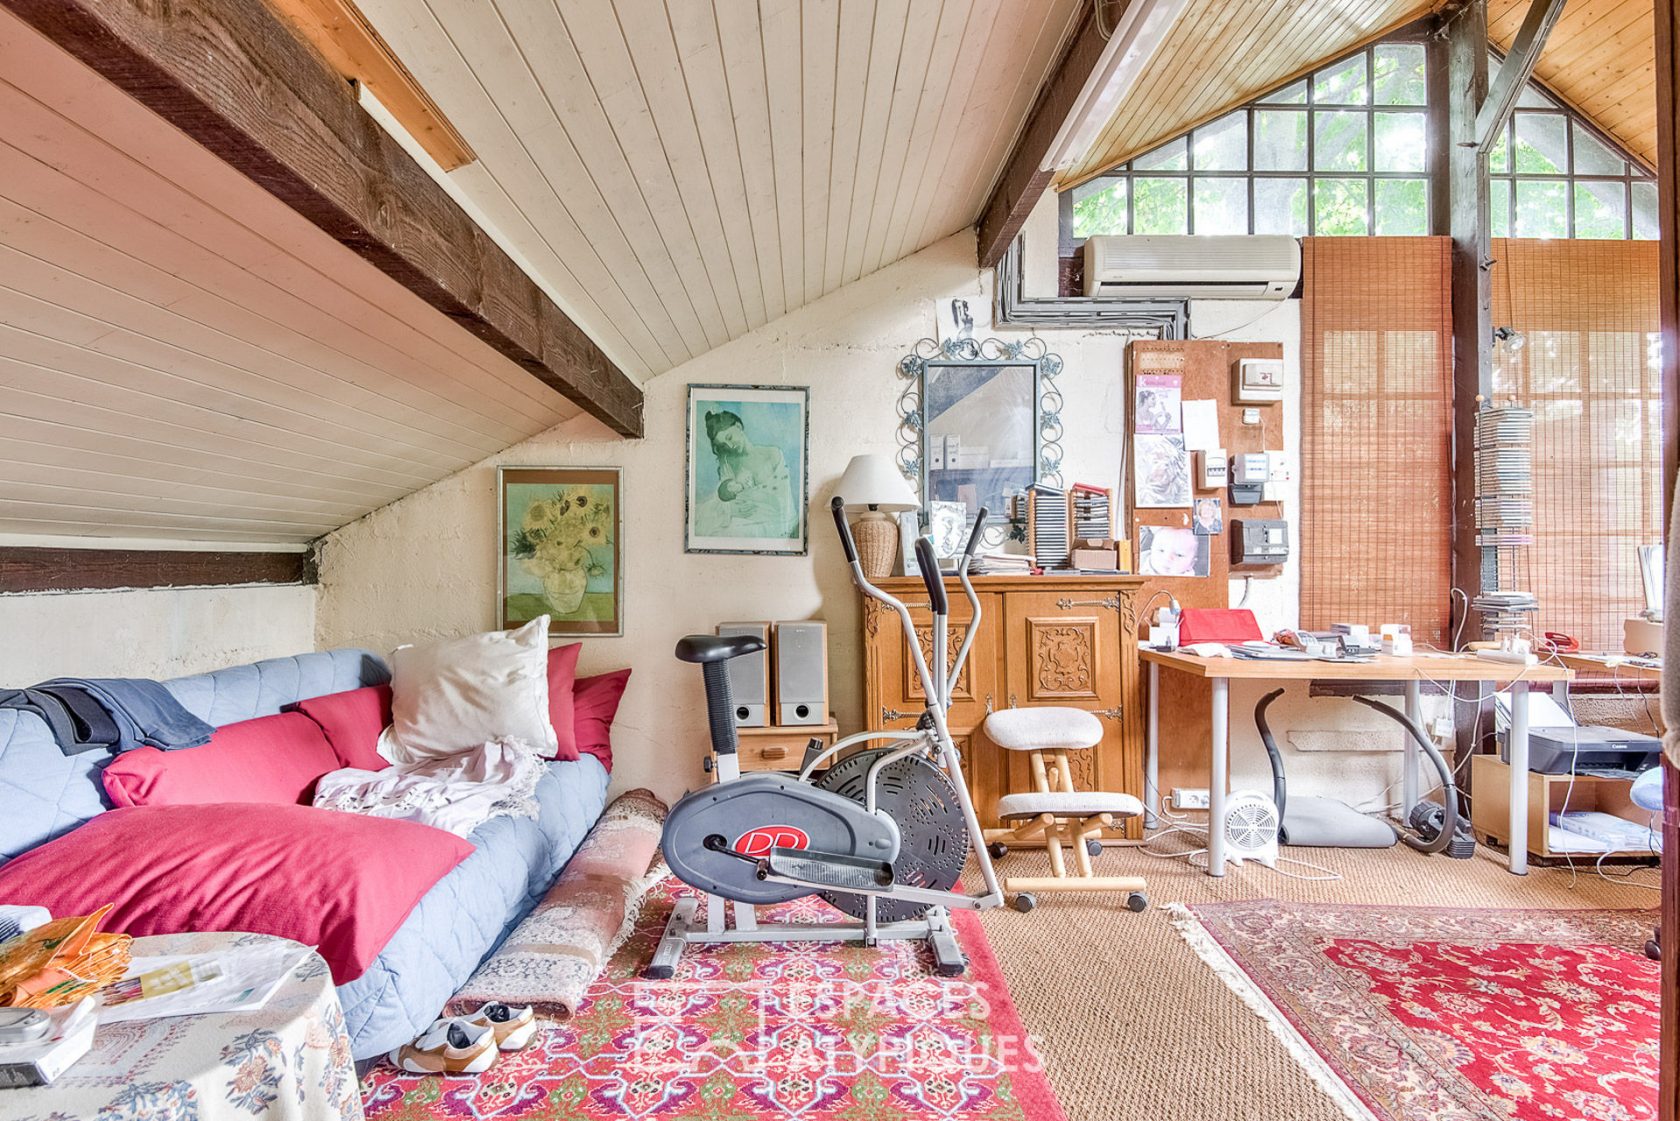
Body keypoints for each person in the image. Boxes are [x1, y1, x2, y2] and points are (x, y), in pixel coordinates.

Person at [693, 409, 796, 539]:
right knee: (715, 532)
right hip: (740, 518)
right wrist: (730, 508)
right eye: (723, 444)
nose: (730, 446)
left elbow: (784, 502)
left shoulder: (772, 454)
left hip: (772, 521)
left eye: (729, 437)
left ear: (738, 426)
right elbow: (723, 495)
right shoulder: (728, 462)